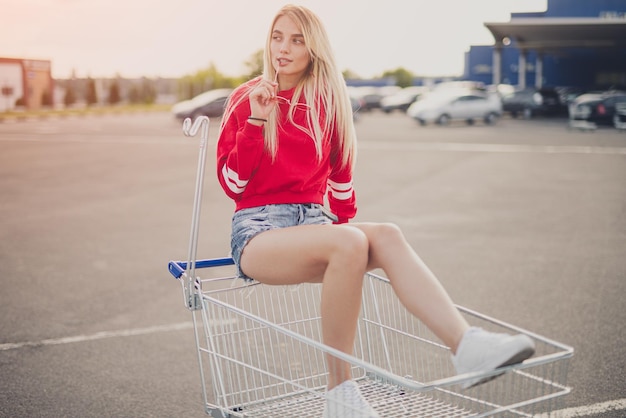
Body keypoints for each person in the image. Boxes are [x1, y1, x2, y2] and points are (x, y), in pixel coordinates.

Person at [216, 4, 535, 417]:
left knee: (386, 234)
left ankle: (466, 346)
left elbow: (340, 184)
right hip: (259, 232)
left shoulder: (327, 102)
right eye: (278, 37)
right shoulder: (248, 98)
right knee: (349, 240)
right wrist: (258, 121)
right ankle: (340, 393)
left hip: (314, 225)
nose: (284, 48)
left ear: (314, 49)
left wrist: (345, 247)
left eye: (297, 39)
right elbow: (232, 185)